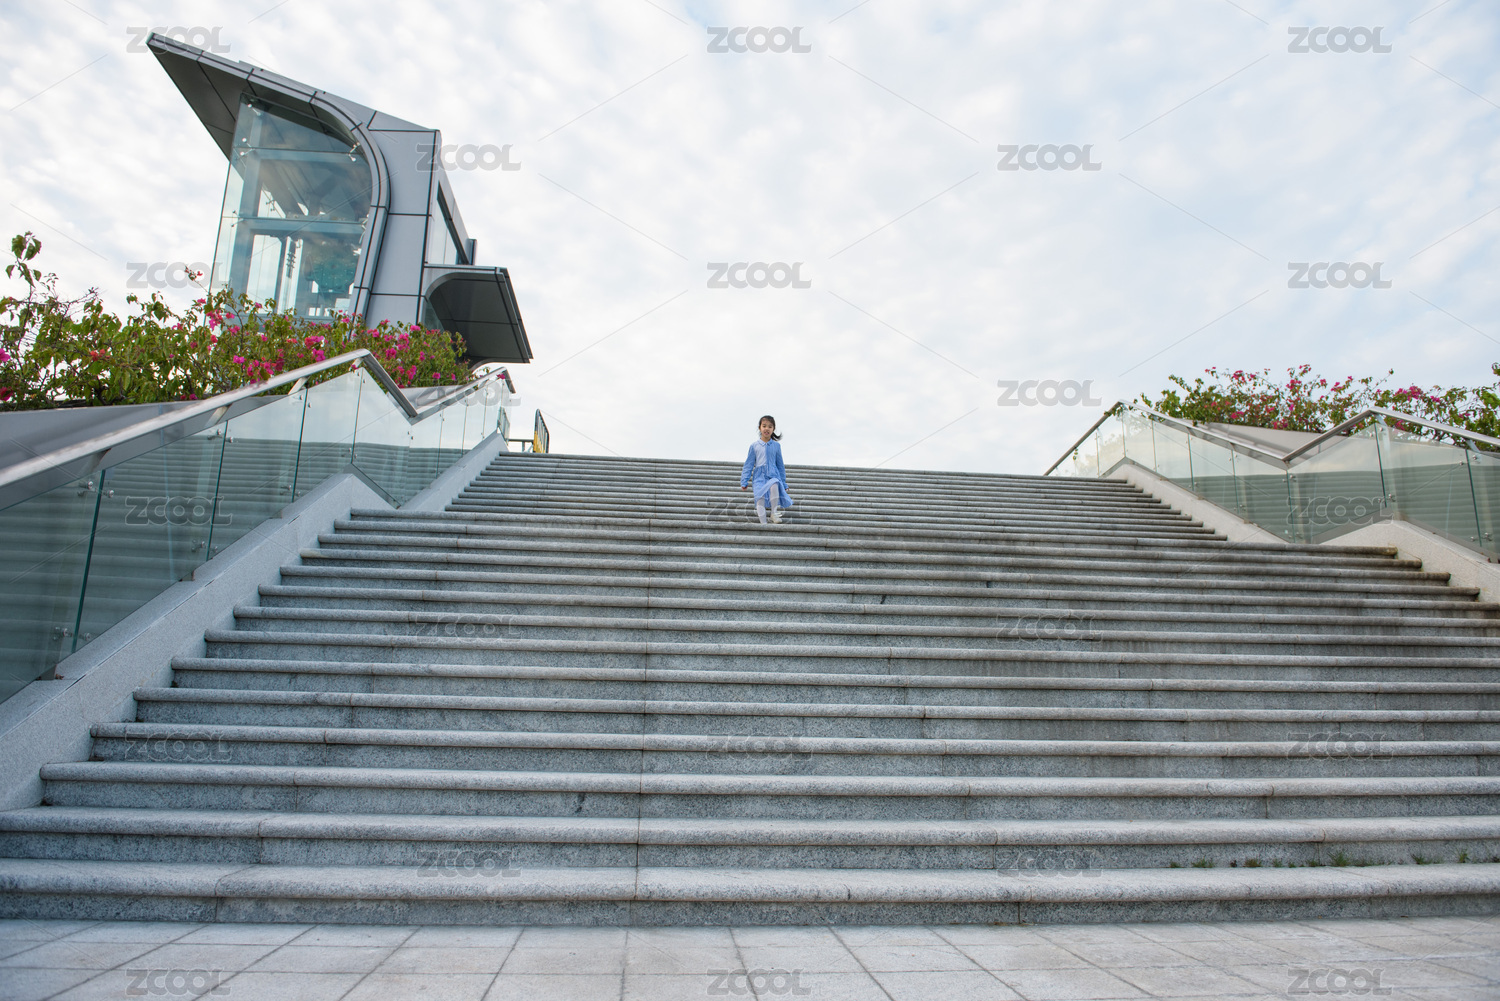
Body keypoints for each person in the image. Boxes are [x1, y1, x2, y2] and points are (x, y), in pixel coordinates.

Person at [741, 415, 793, 524]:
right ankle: (763, 524)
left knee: (774, 484)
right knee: (760, 498)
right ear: (759, 428)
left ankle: (774, 513)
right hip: (759, 477)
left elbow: (780, 465)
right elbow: (748, 465)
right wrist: (744, 481)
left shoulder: (776, 446)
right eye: (764, 426)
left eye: (770, 426)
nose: (767, 429)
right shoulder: (754, 446)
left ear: (773, 429)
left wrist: (784, 483)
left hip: (773, 474)